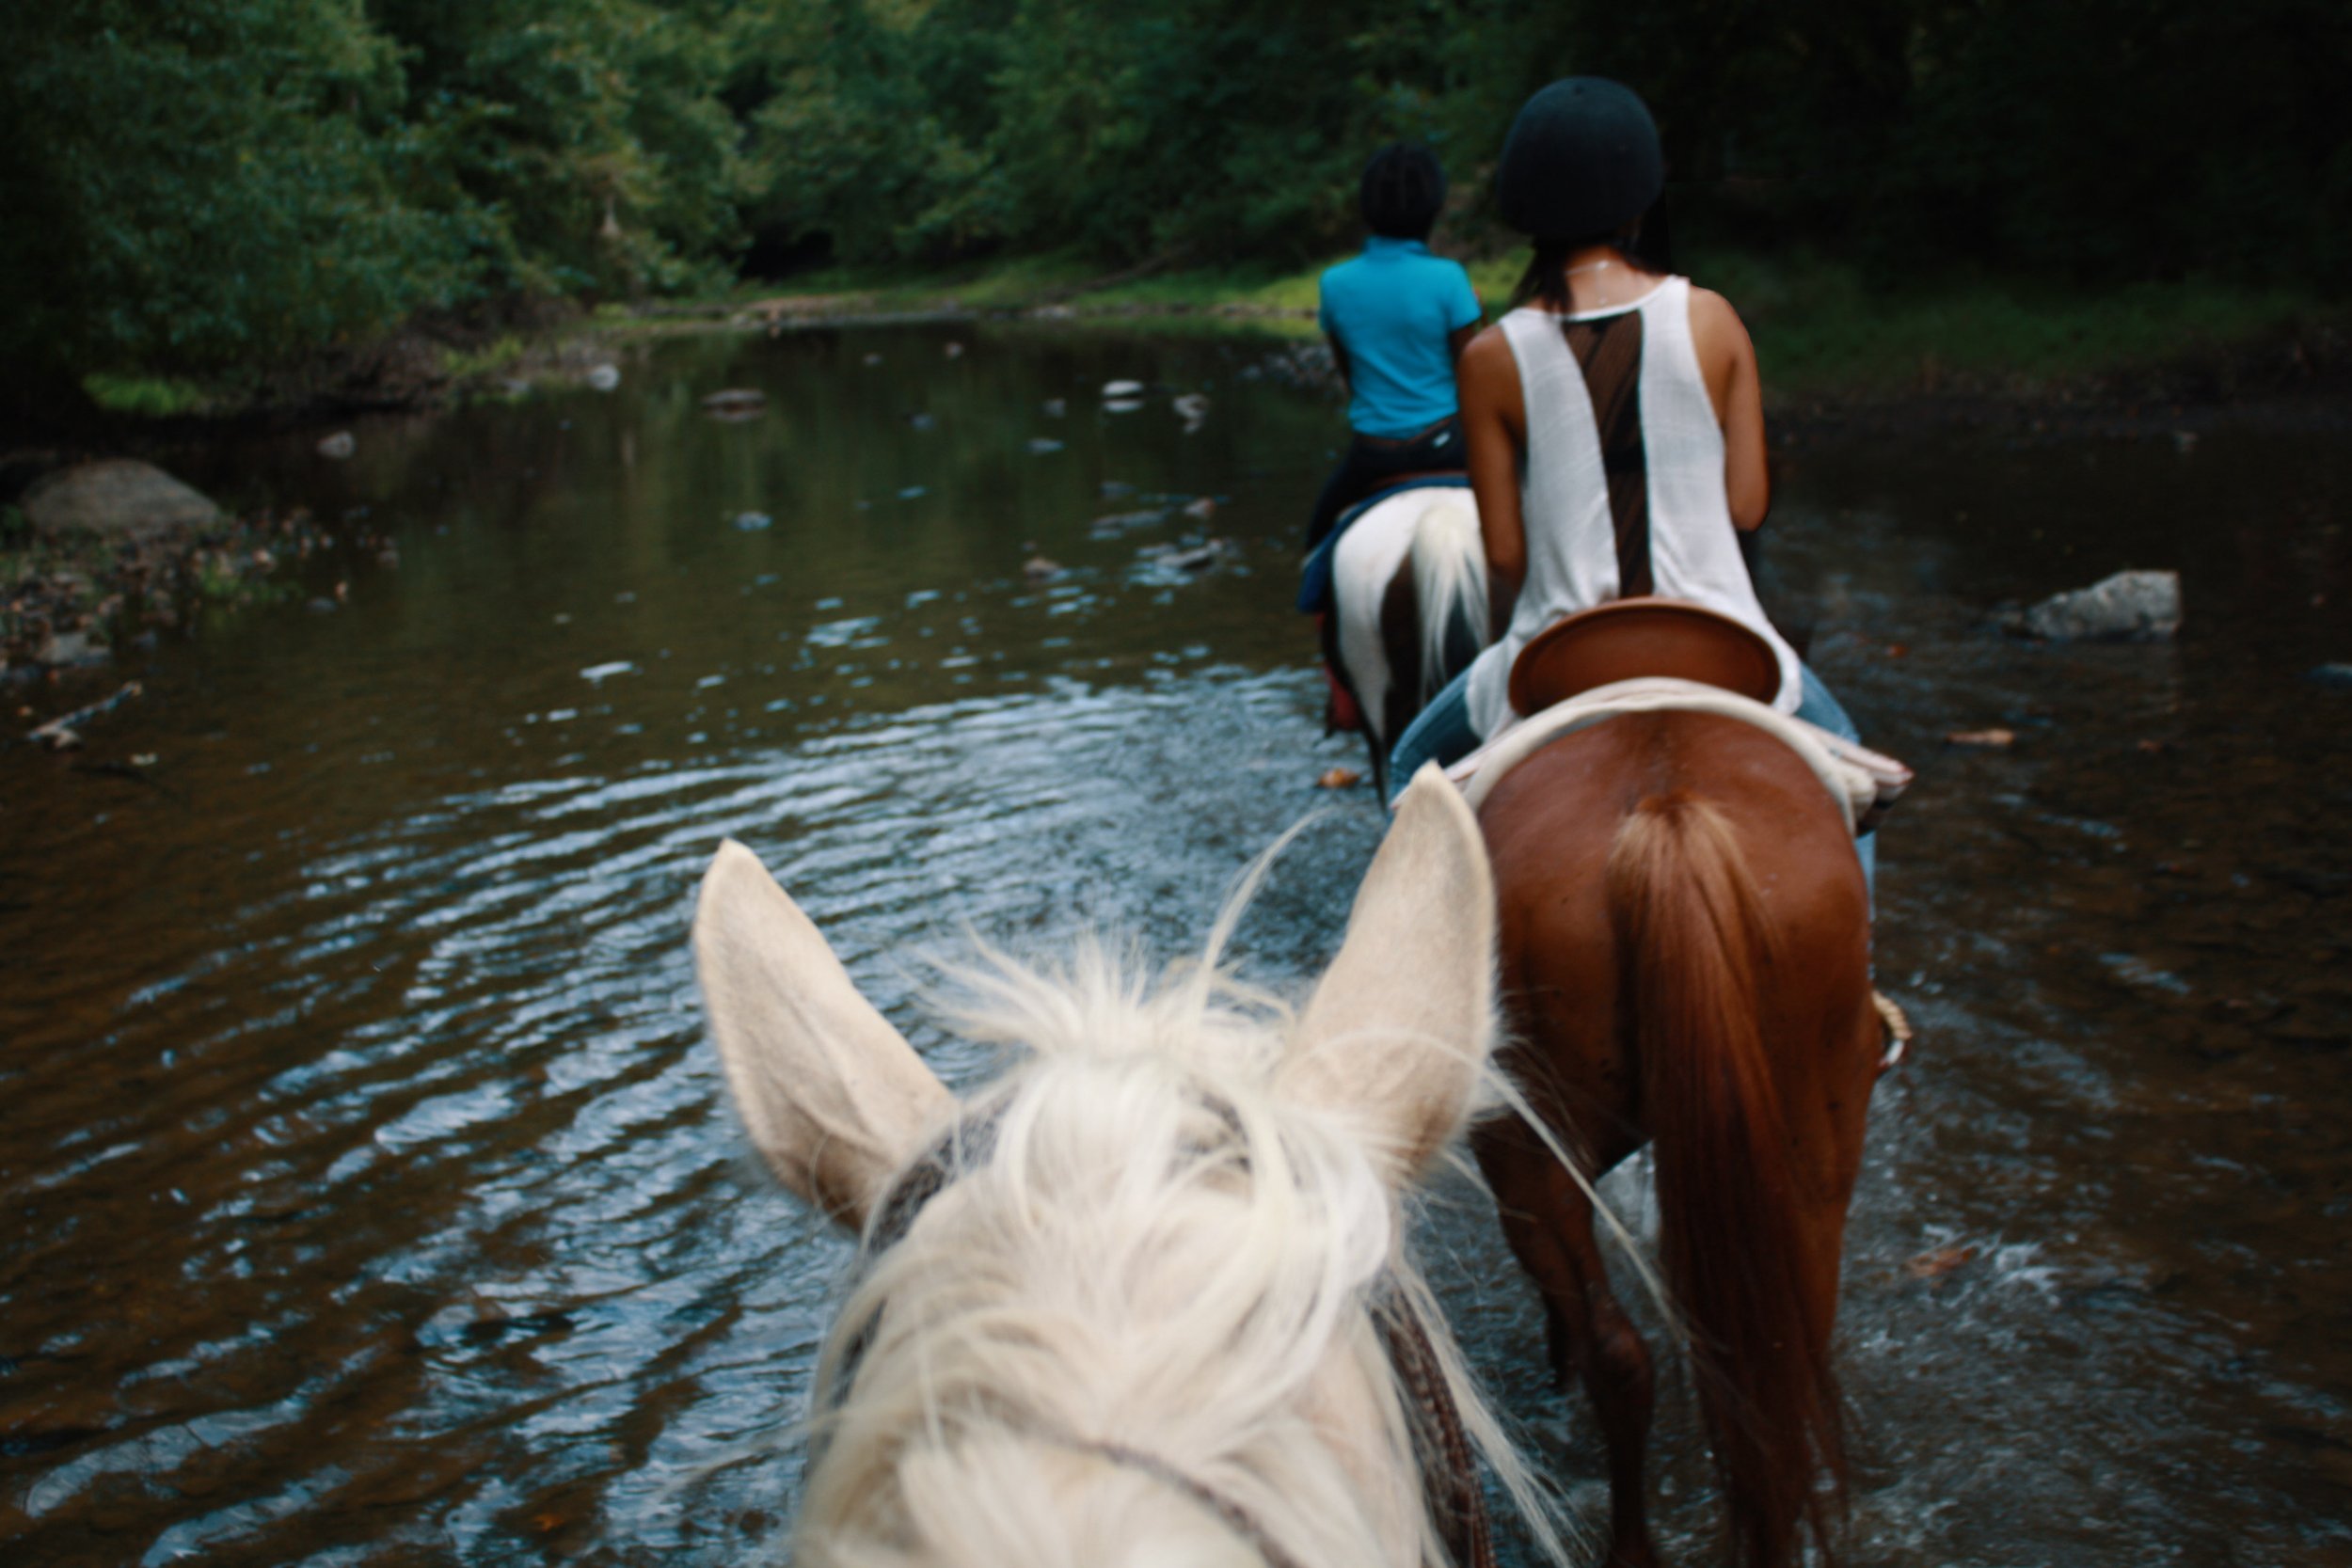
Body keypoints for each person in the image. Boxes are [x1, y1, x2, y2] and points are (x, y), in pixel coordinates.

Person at [1386, 76, 1875, 893]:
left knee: (1407, 771)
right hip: (1721, 636)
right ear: (1639, 202)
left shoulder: (1491, 357)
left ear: (1525, 211)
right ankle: (1860, 978)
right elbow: (1747, 505)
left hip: (1560, 650)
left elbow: (1505, 553)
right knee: (1849, 782)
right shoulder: (1714, 318)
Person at [1305, 143, 1483, 553]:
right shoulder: (1449, 279)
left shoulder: (1334, 284)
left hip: (1374, 456)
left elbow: (1350, 377)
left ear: (1366, 209)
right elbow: (1473, 374)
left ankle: (1315, 610)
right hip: (1448, 447)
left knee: (1317, 540)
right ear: (1435, 209)